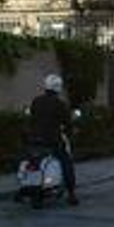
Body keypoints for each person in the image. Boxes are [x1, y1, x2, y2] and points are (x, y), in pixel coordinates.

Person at [28, 73, 78, 205]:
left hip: (35, 140)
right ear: (58, 87)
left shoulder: (36, 101)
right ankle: (71, 194)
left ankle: (32, 191)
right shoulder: (60, 104)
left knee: (32, 160)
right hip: (53, 140)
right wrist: (71, 133)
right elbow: (68, 123)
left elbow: (31, 119)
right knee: (66, 161)